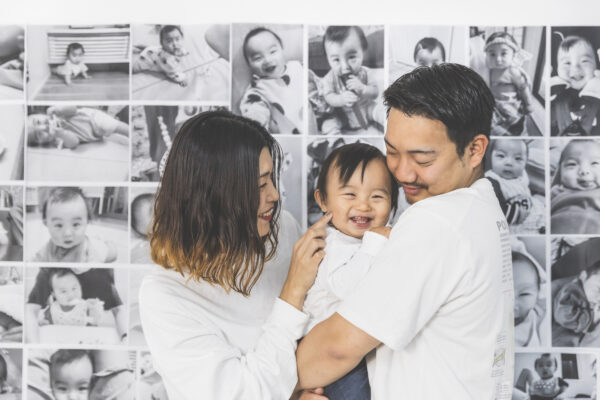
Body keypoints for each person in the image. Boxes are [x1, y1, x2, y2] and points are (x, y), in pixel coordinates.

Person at [295, 63, 514, 399]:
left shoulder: (436, 219)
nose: (401, 172)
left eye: (422, 159)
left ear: (474, 149)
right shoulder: (482, 207)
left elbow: (335, 348)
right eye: (392, 152)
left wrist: (268, 382)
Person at [139, 110, 333, 400]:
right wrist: (293, 291)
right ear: (213, 196)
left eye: (271, 179)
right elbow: (240, 394)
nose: (275, 196)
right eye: (259, 185)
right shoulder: (164, 296)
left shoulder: (280, 229)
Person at [303, 143, 398, 400]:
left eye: (377, 196)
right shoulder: (333, 243)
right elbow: (345, 287)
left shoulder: (368, 242)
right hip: (328, 352)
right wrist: (374, 245)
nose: (364, 206)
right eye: (350, 195)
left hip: (354, 347)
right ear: (323, 200)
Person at [26, 267, 127, 344]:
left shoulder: (85, 306)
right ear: (53, 294)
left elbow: (97, 320)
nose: (70, 295)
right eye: (63, 291)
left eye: (74, 289)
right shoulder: (53, 308)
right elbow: (36, 315)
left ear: (81, 287)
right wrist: (41, 323)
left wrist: (95, 310)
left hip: (84, 339)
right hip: (60, 339)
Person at [319, 26, 384, 134]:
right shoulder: (329, 78)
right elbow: (328, 97)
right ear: (327, 59)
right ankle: (337, 143)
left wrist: (363, 89)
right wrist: (340, 99)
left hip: (367, 108)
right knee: (327, 125)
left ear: (363, 52)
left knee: (382, 112)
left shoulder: (366, 73)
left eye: (351, 57)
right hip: (342, 114)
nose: (345, 66)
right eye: (336, 60)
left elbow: (375, 93)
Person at [239, 27, 303, 134]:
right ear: (249, 65)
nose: (267, 60)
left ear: (282, 49)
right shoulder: (258, 89)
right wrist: (256, 120)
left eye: (272, 52)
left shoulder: (296, 66)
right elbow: (255, 110)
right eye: (258, 58)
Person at [32, 187, 117, 262]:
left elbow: (112, 255)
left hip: (102, 249)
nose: (67, 233)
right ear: (46, 223)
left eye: (76, 224)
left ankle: (103, 240)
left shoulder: (91, 250)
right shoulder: (49, 248)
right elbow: (37, 259)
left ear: (87, 221)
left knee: (109, 249)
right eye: (59, 225)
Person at [485, 139, 544, 233]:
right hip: (511, 226)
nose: (509, 163)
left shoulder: (522, 176)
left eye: (518, 159)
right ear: (490, 157)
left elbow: (525, 191)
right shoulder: (491, 182)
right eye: (501, 156)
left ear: (525, 162)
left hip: (530, 214)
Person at [551, 35, 600, 136]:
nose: (575, 68)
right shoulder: (554, 96)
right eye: (567, 63)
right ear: (557, 69)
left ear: (596, 66)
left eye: (584, 61)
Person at [550, 139, 600, 234]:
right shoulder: (556, 192)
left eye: (595, 163)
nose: (584, 171)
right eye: (572, 164)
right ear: (559, 172)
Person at [27, 106, 129, 150]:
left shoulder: (57, 114)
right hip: (95, 134)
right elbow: (74, 142)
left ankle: (129, 132)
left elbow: (74, 109)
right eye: (39, 135)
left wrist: (59, 109)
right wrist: (60, 133)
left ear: (40, 114)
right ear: (42, 143)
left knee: (113, 125)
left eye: (38, 122)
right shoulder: (57, 140)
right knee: (111, 133)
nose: (44, 127)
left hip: (92, 118)